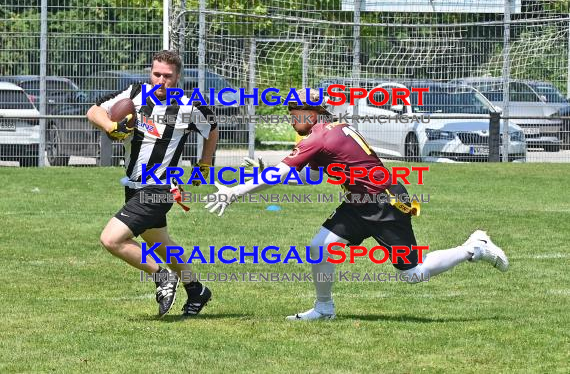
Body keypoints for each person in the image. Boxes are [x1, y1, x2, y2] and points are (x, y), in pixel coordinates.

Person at [205, 88, 509, 321]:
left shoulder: (317, 138)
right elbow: (307, 173)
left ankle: (474, 247)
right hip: (360, 200)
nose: (290, 117)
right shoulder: (330, 130)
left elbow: (284, 173)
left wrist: (234, 192)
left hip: (384, 202)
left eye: (293, 112)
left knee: (413, 274)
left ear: (311, 113)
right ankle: (324, 308)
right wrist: (262, 172)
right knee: (319, 246)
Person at [86, 50, 216, 317]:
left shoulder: (189, 104)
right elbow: (94, 110)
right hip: (133, 186)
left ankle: (162, 278)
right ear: (150, 73)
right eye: (156, 74)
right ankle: (196, 290)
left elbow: (212, 128)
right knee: (160, 242)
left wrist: (205, 165)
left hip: (159, 189)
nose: (161, 80)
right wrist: (111, 126)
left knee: (111, 239)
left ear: (177, 77)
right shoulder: (134, 92)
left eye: (167, 76)